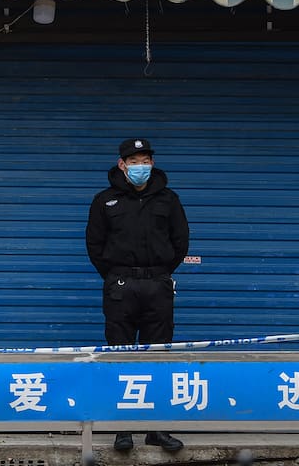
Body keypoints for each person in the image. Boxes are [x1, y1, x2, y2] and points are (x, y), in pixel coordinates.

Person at [85, 137, 190, 454]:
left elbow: (180, 242)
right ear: (122, 164)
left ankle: (156, 429)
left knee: (157, 358)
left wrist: (159, 273)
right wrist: (117, 275)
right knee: (120, 356)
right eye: (134, 161)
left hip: (157, 285)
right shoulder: (105, 201)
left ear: (152, 164)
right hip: (120, 286)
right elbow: (95, 245)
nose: (140, 167)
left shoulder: (168, 200)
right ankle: (123, 429)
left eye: (145, 161)